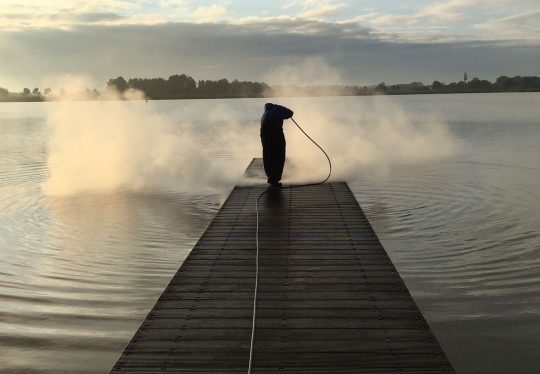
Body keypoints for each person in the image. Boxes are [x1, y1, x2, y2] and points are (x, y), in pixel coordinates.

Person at [260, 103, 293, 187]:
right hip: (276, 136)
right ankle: (274, 179)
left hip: (265, 137)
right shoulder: (277, 109)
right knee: (279, 156)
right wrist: (279, 106)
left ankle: (271, 178)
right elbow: (290, 113)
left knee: (268, 157)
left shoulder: (264, 114)